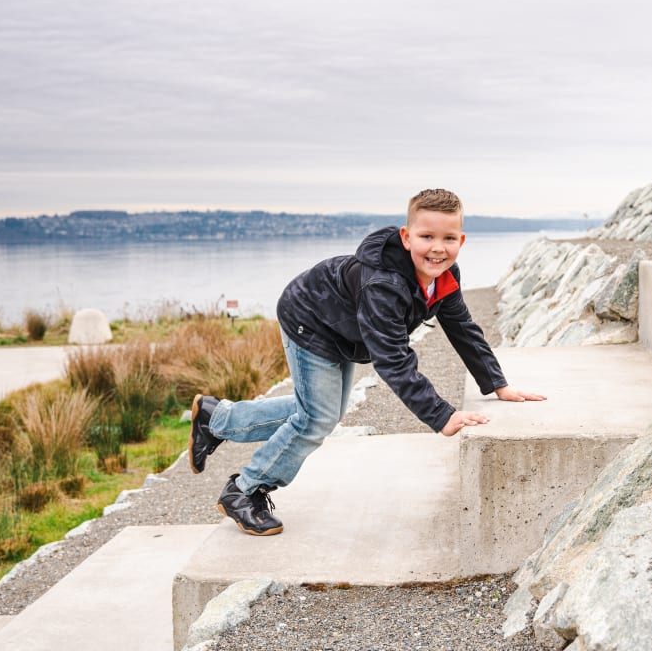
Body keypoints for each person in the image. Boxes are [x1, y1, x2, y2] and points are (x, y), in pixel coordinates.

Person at [187, 189, 546, 536]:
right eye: (427, 236)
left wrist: (497, 383)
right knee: (317, 417)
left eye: (448, 238)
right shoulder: (384, 285)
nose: (438, 248)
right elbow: (392, 358)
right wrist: (441, 415)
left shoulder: (444, 277)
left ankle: (216, 419)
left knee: (318, 412)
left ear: (461, 241)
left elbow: (462, 328)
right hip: (311, 319)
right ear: (406, 237)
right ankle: (246, 488)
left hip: (342, 330)